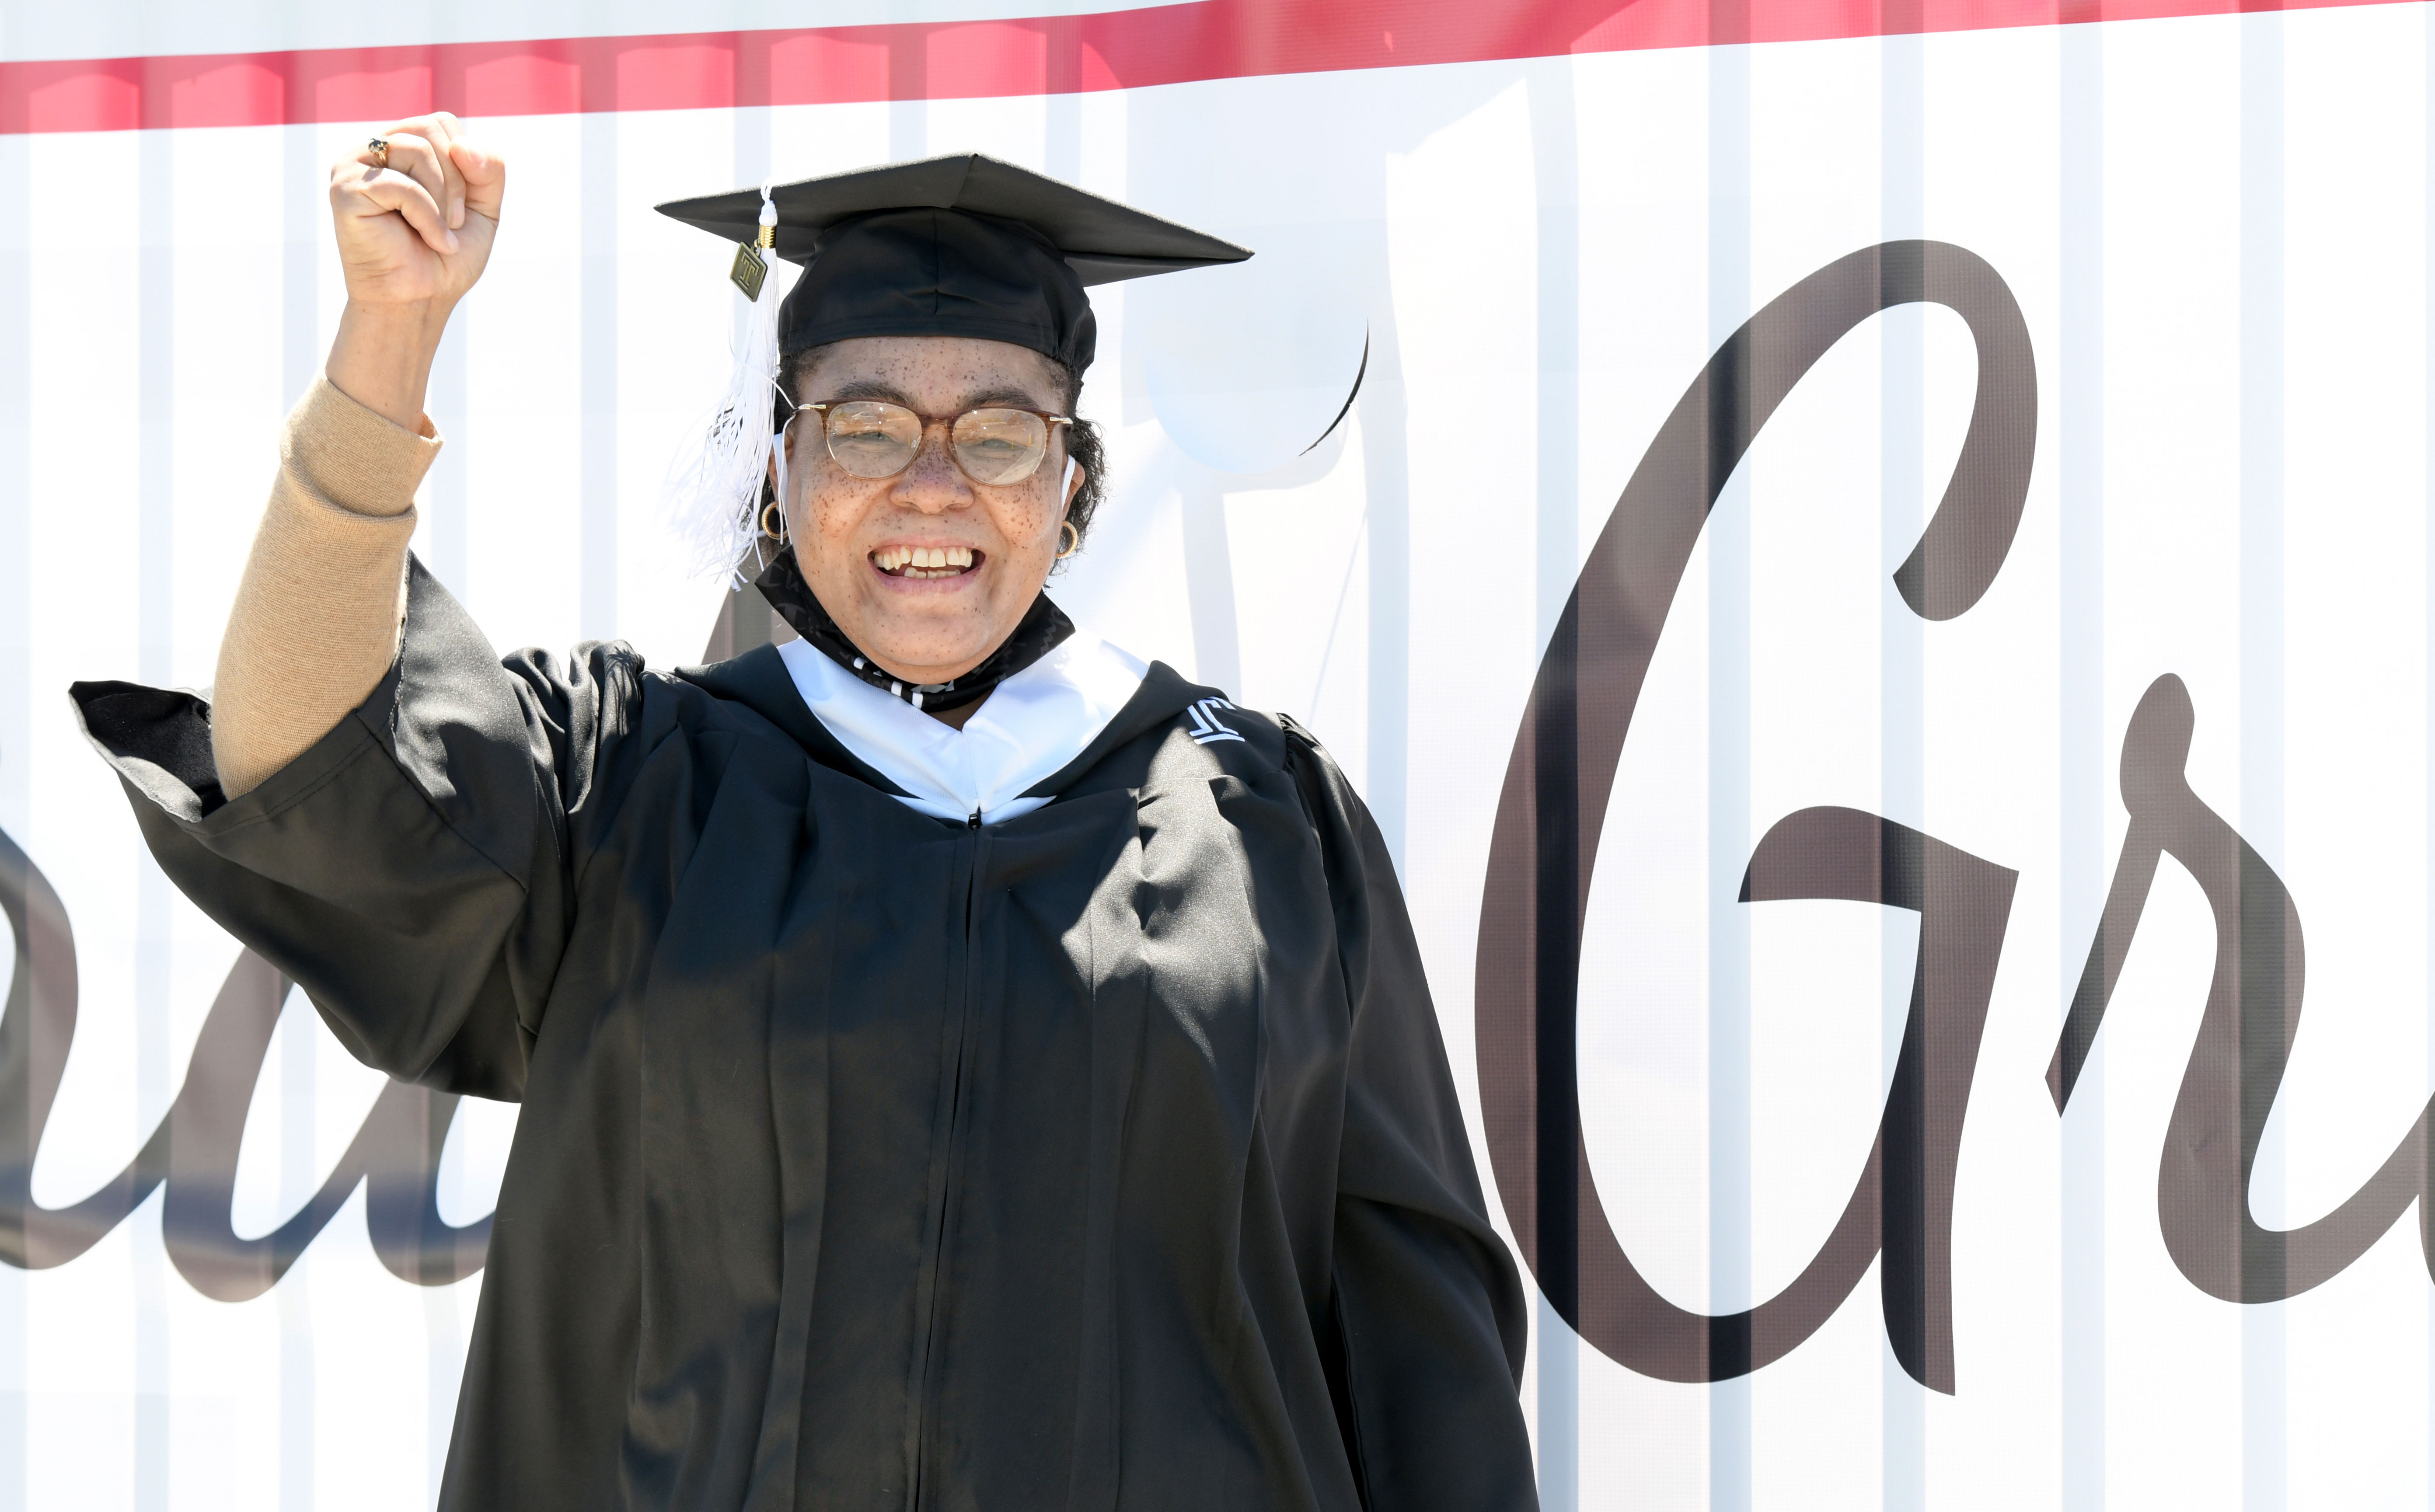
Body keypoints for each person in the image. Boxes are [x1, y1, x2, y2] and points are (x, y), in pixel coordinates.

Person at [71, 113, 1538, 1512]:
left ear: (1073, 483)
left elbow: (1426, 1362)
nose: (932, 483)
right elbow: (305, 762)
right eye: (865, 426)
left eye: (1003, 435)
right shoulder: (633, 783)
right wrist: (387, 345)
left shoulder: (1265, 826)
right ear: (777, 465)